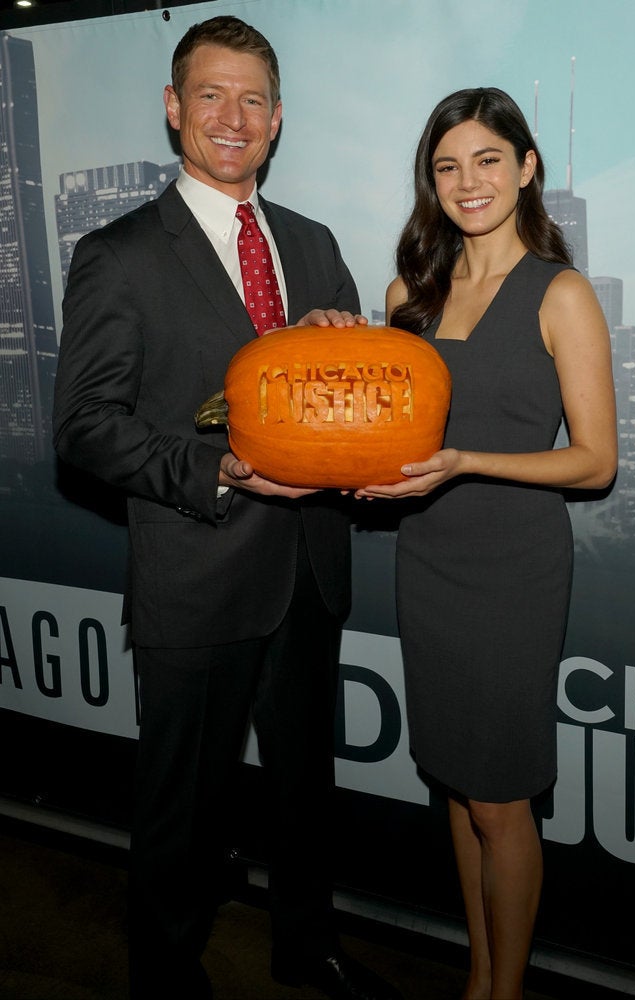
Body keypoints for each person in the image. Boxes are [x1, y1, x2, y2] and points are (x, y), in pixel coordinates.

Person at [53, 15, 402, 1000]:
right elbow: (82, 425)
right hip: (196, 573)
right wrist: (219, 471)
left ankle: (306, 946)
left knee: (305, 791)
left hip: (307, 570)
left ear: (279, 118)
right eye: (210, 94)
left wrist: (351, 345)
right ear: (173, 109)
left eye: (253, 99)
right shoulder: (118, 254)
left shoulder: (313, 243)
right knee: (182, 809)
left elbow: (351, 400)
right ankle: (165, 973)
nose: (232, 116)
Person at [356, 88, 617, 999]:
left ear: (527, 167)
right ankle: (478, 977)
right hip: (425, 559)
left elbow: (593, 463)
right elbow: (386, 427)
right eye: (446, 166)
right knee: (458, 788)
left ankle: (504, 993)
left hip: (512, 571)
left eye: (487, 160)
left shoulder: (560, 291)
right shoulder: (405, 294)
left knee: (501, 800)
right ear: (430, 182)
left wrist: (466, 459)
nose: (467, 182)